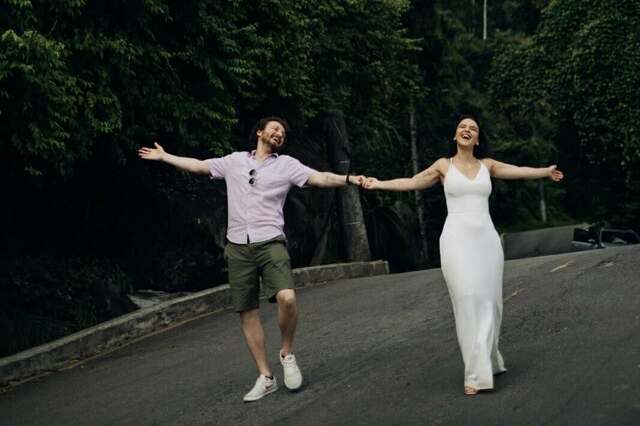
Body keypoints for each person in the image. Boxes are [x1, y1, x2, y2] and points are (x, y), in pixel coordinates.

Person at [139, 116, 364, 402]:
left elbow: (319, 177)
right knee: (247, 311)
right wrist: (165, 156)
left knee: (288, 298)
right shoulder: (234, 161)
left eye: (283, 131)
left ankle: (287, 352)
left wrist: (347, 179)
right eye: (275, 128)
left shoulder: (287, 165)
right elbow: (199, 165)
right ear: (259, 132)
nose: (279, 133)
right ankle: (265, 377)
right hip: (238, 246)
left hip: (270, 241)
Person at [364, 114, 564, 395]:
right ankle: (475, 374)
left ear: (478, 139)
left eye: (473, 128)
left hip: (486, 241)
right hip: (456, 239)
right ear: (455, 136)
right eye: (462, 127)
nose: (467, 130)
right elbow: (412, 181)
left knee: (490, 303)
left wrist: (544, 171)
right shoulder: (443, 166)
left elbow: (517, 170)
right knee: (468, 298)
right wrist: (378, 184)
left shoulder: (488, 165)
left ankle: (489, 360)